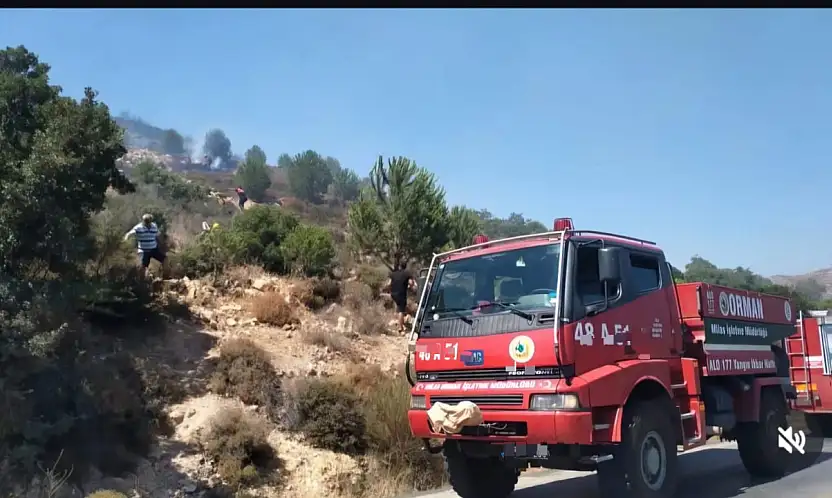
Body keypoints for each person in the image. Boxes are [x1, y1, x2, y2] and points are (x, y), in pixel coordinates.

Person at [124, 213, 166, 278]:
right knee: (143, 266)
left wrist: (162, 242)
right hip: (143, 250)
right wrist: (126, 239)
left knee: (165, 259)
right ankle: (142, 281)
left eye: (148, 221)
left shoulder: (154, 226)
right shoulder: (138, 227)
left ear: (151, 221)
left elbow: (158, 234)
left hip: (153, 249)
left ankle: (165, 275)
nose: (147, 222)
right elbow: (129, 233)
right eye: (146, 221)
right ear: (143, 221)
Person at [389, 262, 417, 333]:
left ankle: (397, 321)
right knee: (401, 311)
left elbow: (389, 283)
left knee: (398, 306)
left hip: (393, 293)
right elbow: (411, 283)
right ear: (405, 266)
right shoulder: (407, 273)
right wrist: (410, 286)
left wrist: (390, 290)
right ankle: (400, 327)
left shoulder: (394, 273)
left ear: (399, 266)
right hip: (401, 294)